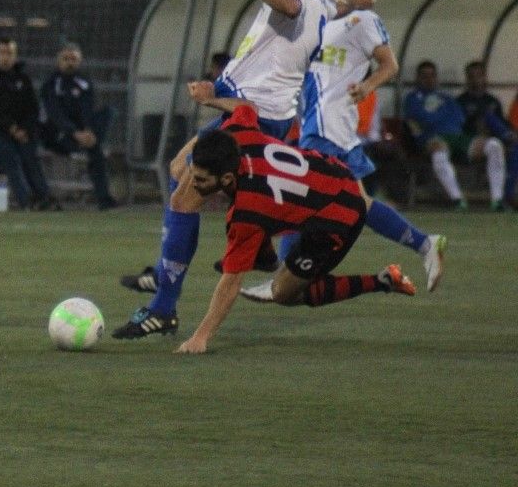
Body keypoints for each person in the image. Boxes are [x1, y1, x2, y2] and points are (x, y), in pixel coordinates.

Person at [114, 0, 333, 340]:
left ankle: (163, 306)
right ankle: (233, 255)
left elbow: (286, 4)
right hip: (262, 110)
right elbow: (329, 11)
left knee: (185, 195)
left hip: (254, 111)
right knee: (181, 169)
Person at [241, 0, 445, 297]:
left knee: (298, 197)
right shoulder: (316, 17)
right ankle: (425, 244)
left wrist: (366, 86)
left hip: (329, 127)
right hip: (320, 129)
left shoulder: (361, 20)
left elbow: (390, 64)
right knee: (355, 206)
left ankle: (280, 276)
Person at [173, 104, 417, 354]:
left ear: (226, 179)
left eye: (201, 180)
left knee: (283, 293)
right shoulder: (238, 132)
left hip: (339, 216)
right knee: (244, 224)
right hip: (335, 175)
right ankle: (266, 258)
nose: (193, 184)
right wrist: (212, 101)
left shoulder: (249, 211)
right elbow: (246, 108)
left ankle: (383, 280)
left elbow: (230, 284)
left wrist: (200, 337)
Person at [402, 60, 507, 211]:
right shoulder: (412, 98)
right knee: (439, 153)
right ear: (417, 78)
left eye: (432, 75)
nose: (429, 79)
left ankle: (497, 200)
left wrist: (433, 118)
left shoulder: (447, 98)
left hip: (457, 137)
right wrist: (435, 122)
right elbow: (417, 120)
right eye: (424, 76)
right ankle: (457, 199)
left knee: (494, 145)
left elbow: (459, 118)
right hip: (433, 138)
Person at [0, 38, 55, 210]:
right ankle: (26, 200)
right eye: (2, 53)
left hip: (20, 133)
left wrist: (24, 130)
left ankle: (44, 198)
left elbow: (32, 110)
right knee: (10, 156)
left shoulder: (22, 80)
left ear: (15, 56)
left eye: (9, 53)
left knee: (29, 154)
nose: (5, 58)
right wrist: (9, 126)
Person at [38, 42, 117, 209]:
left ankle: (104, 199)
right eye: (66, 59)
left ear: (79, 61)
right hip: (59, 135)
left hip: (82, 135)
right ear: (58, 61)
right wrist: (75, 132)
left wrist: (88, 131)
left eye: (73, 59)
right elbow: (55, 114)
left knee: (108, 113)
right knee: (93, 147)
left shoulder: (84, 83)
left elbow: (87, 110)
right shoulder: (51, 84)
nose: (69, 63)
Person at [457, 60, 518, 208]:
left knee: (514, 149)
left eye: (479, 76)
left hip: (496, 140)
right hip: (472, 142)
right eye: (472, 76)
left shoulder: (492, 101)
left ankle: (507, 196)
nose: (476, 80)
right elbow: (459, 128)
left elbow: (504, 122)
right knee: (488, 118)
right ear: (467, 79)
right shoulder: (461, 101)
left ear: (485, 77)